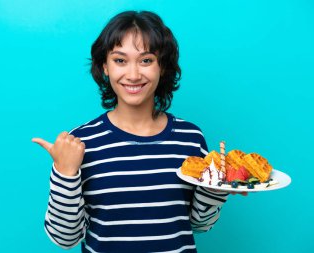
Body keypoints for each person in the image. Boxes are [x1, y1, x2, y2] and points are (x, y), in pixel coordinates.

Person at [32, 10, 229, 253]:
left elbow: (200, 223)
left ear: (163, 67)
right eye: (120, 60)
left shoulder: (190, 138)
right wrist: (64, 172)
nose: (133, 75)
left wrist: (216, 189)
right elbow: (65, 239)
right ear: (104, 66)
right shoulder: (81, 143)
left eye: (146, 60)